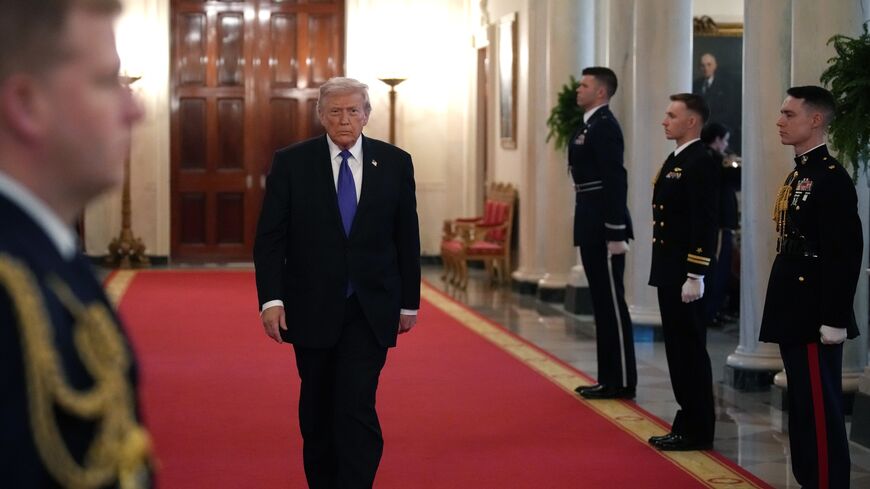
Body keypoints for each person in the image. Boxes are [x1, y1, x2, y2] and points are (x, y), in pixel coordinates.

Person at [0, 0, 150, 487]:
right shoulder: (10, 290)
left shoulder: (46, 253)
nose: (136, 108)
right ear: (26, 104)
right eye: (108, 82)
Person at [254, 77, 421, 489]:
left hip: (370, 307)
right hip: (311, 306)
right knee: (317, 407)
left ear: (366, 115)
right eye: (335, 111)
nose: (344, 119)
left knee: (355, 403)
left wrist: (409, 303)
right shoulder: (293, 162)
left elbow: (407, 236)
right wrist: (271, 300)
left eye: (352, 111)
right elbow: (270, 237)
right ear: (320, 116)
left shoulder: (395, 162)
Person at [759, 86, 862, 489]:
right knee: (802, 405)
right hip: (794, 304)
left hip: (814, 309)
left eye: (789, 114)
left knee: (820, 410)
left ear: (815, 120)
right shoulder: (801, 172)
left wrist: (835, 318)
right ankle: (809, 479)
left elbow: (844, 252)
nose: (780, 122)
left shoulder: (830, 178)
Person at [648, 93, 719, 451]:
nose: (665, 120)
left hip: (684, 274)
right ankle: (687, 421)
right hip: (670, 269)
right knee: (677, 350)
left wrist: (696, 273)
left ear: (692, 121)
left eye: (671, 115)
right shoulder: (677, 158)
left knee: (689, 350)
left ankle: (697, 428)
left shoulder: (700, 161)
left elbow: (705, 221)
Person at [569, 67, 637, 400]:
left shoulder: (605, 126)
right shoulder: (590, 124)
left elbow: (614, 179)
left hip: (603, 225)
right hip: (590, 219)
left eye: (584, 85)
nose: (577, 90)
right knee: (601, 303)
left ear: (601, 92)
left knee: (611, 303)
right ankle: (608, 377)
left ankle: (621, 379)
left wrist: (615, 231)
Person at [700, 122, 740, 327]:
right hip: (718, 226)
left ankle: (713, 310)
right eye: (724, 140)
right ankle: (709, 312)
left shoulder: (715, 159)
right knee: (716, 272)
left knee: (722, 271)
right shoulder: (712, 160)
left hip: (723, 225)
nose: (726, 145)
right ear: (716, 139)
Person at [692, 53, 741, 153]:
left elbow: (729, 112)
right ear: (699, 68)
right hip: (699, 133)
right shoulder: (695, 85)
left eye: (709, 65)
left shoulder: (726, 86)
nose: (706, 68)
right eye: (703, 65)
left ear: (715, 66)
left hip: (719, 132)